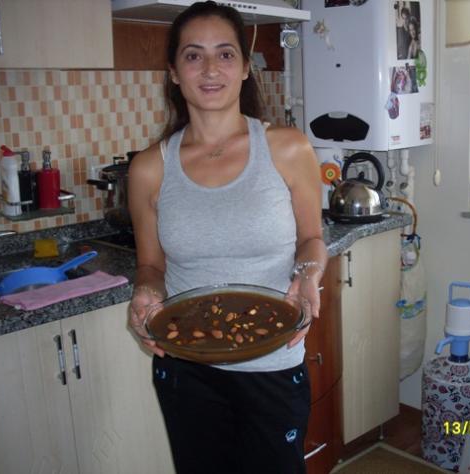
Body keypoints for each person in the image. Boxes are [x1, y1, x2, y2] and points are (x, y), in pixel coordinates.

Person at [127, 2, 327, 473]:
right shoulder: (149, 168)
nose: (210, 69)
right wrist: (145, 293)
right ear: (174, 72)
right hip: (185, 369)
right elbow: (151, 266)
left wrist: (308, 274)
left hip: (272, 364)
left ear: (244, 68)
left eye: (225, 54)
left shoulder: (288, 148)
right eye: (193, 56)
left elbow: (312, 239)